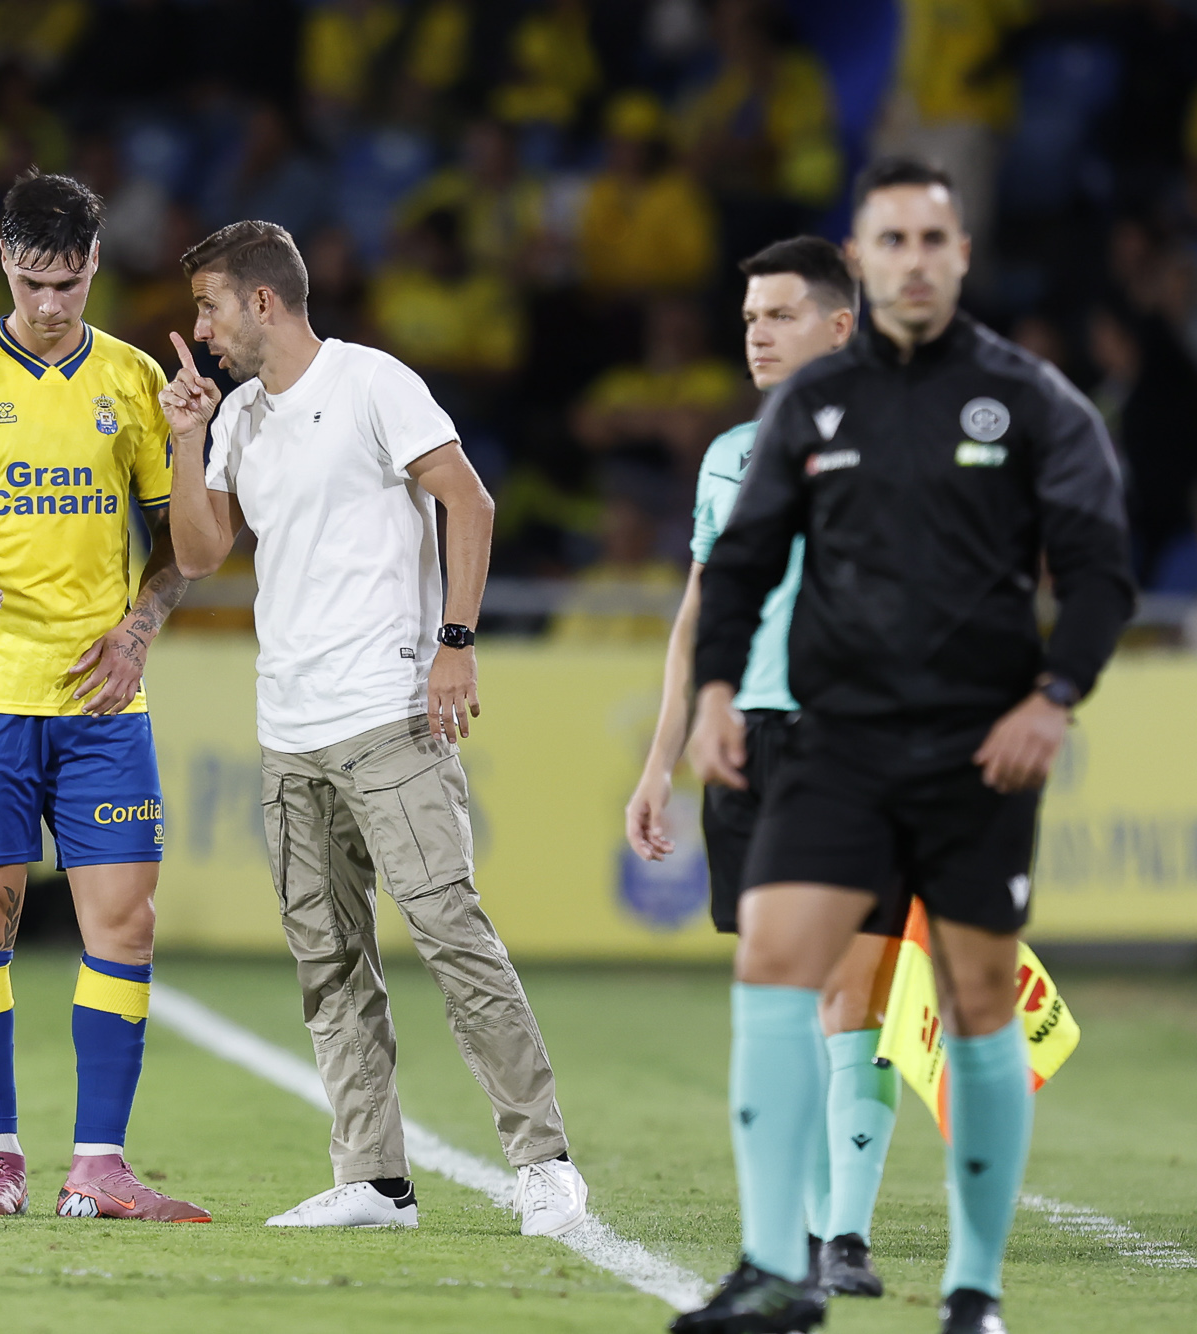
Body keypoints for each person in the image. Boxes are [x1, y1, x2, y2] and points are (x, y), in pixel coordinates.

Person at [680, 160, 1134, 1334]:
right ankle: (776, 1265)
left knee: (978, 996)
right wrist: (718, 688)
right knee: (773, 959)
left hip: (978, 750)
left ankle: (971, 1289)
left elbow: (1097, 572)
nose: (915, 257)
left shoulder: (1031, 402)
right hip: (833, 742)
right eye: (891, 239)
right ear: (865, 257)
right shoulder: (811, 413)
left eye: (934, 237)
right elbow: (736, 566)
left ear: (960, 255)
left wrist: (1054, 696)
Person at [161, 219, 586, 1237]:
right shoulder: (238, 420)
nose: (200, 329)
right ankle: (372, 1177)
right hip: (288, 725)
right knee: (328, 957)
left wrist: (454, 639)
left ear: (262, 301)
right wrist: (184, 436)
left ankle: (541, 1161)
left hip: (386, 713)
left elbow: (466, 501)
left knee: (448, 930)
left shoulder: (369, 383)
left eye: (209, 306)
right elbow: (202, 550)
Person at [0, 170, 204, 1223]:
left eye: (67, 283)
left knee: (127, 920)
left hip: (104, 696)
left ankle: (99, 1162)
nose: (50, 304)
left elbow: (186, 550)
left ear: (95, 266)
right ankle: (0, 1156)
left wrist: (140, 623)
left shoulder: (132, 383)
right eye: (31, 283)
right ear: (4, 264)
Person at [624, 235, 905, 1300]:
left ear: (839, 327)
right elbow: (698, 612)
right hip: (748, 736)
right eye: (747, 316)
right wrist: (658, 761)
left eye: (778, 314)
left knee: (856, 987)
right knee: (777, 990)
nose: (755, 333)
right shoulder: (726, 457)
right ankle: (788, 1233)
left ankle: (843, 1233)